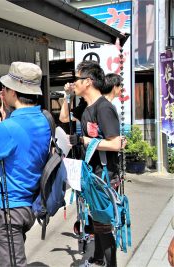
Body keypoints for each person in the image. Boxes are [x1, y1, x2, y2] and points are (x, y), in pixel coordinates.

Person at [0, 62, 51, 266]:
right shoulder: (43, 120)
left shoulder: (9, 126)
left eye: (4, 88)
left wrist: (0, 125)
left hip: (8, 208)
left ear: (13, 91)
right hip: (30, 202)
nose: (2, 92)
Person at [72, 61, 124, 267]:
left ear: (88, 81)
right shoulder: (87, 108)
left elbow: (116, 143)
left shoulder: (104, 108)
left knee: (103, 226)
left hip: (104, 177)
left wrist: (85, 141)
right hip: (92, 176)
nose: (73, 83)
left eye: (76, 79)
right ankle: (97, 260)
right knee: (98, 223)